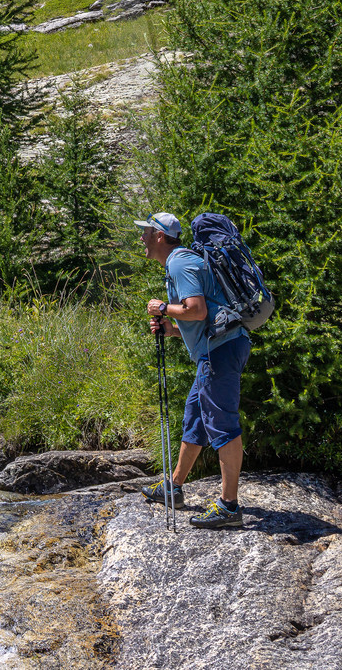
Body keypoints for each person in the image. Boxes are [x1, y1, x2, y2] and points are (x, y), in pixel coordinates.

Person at [136, 211, 251, 530]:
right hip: (218, 349)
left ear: (159, 236)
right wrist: (171, 330)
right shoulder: (183, 261)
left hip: (221, 351)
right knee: (196, 417)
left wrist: (162, 308)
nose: (141, 239)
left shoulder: (179, 262)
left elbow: (196, 310)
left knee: (223, 424)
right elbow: (198, 315)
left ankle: (229, 506)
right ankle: (173, 486)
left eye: (145, 233)